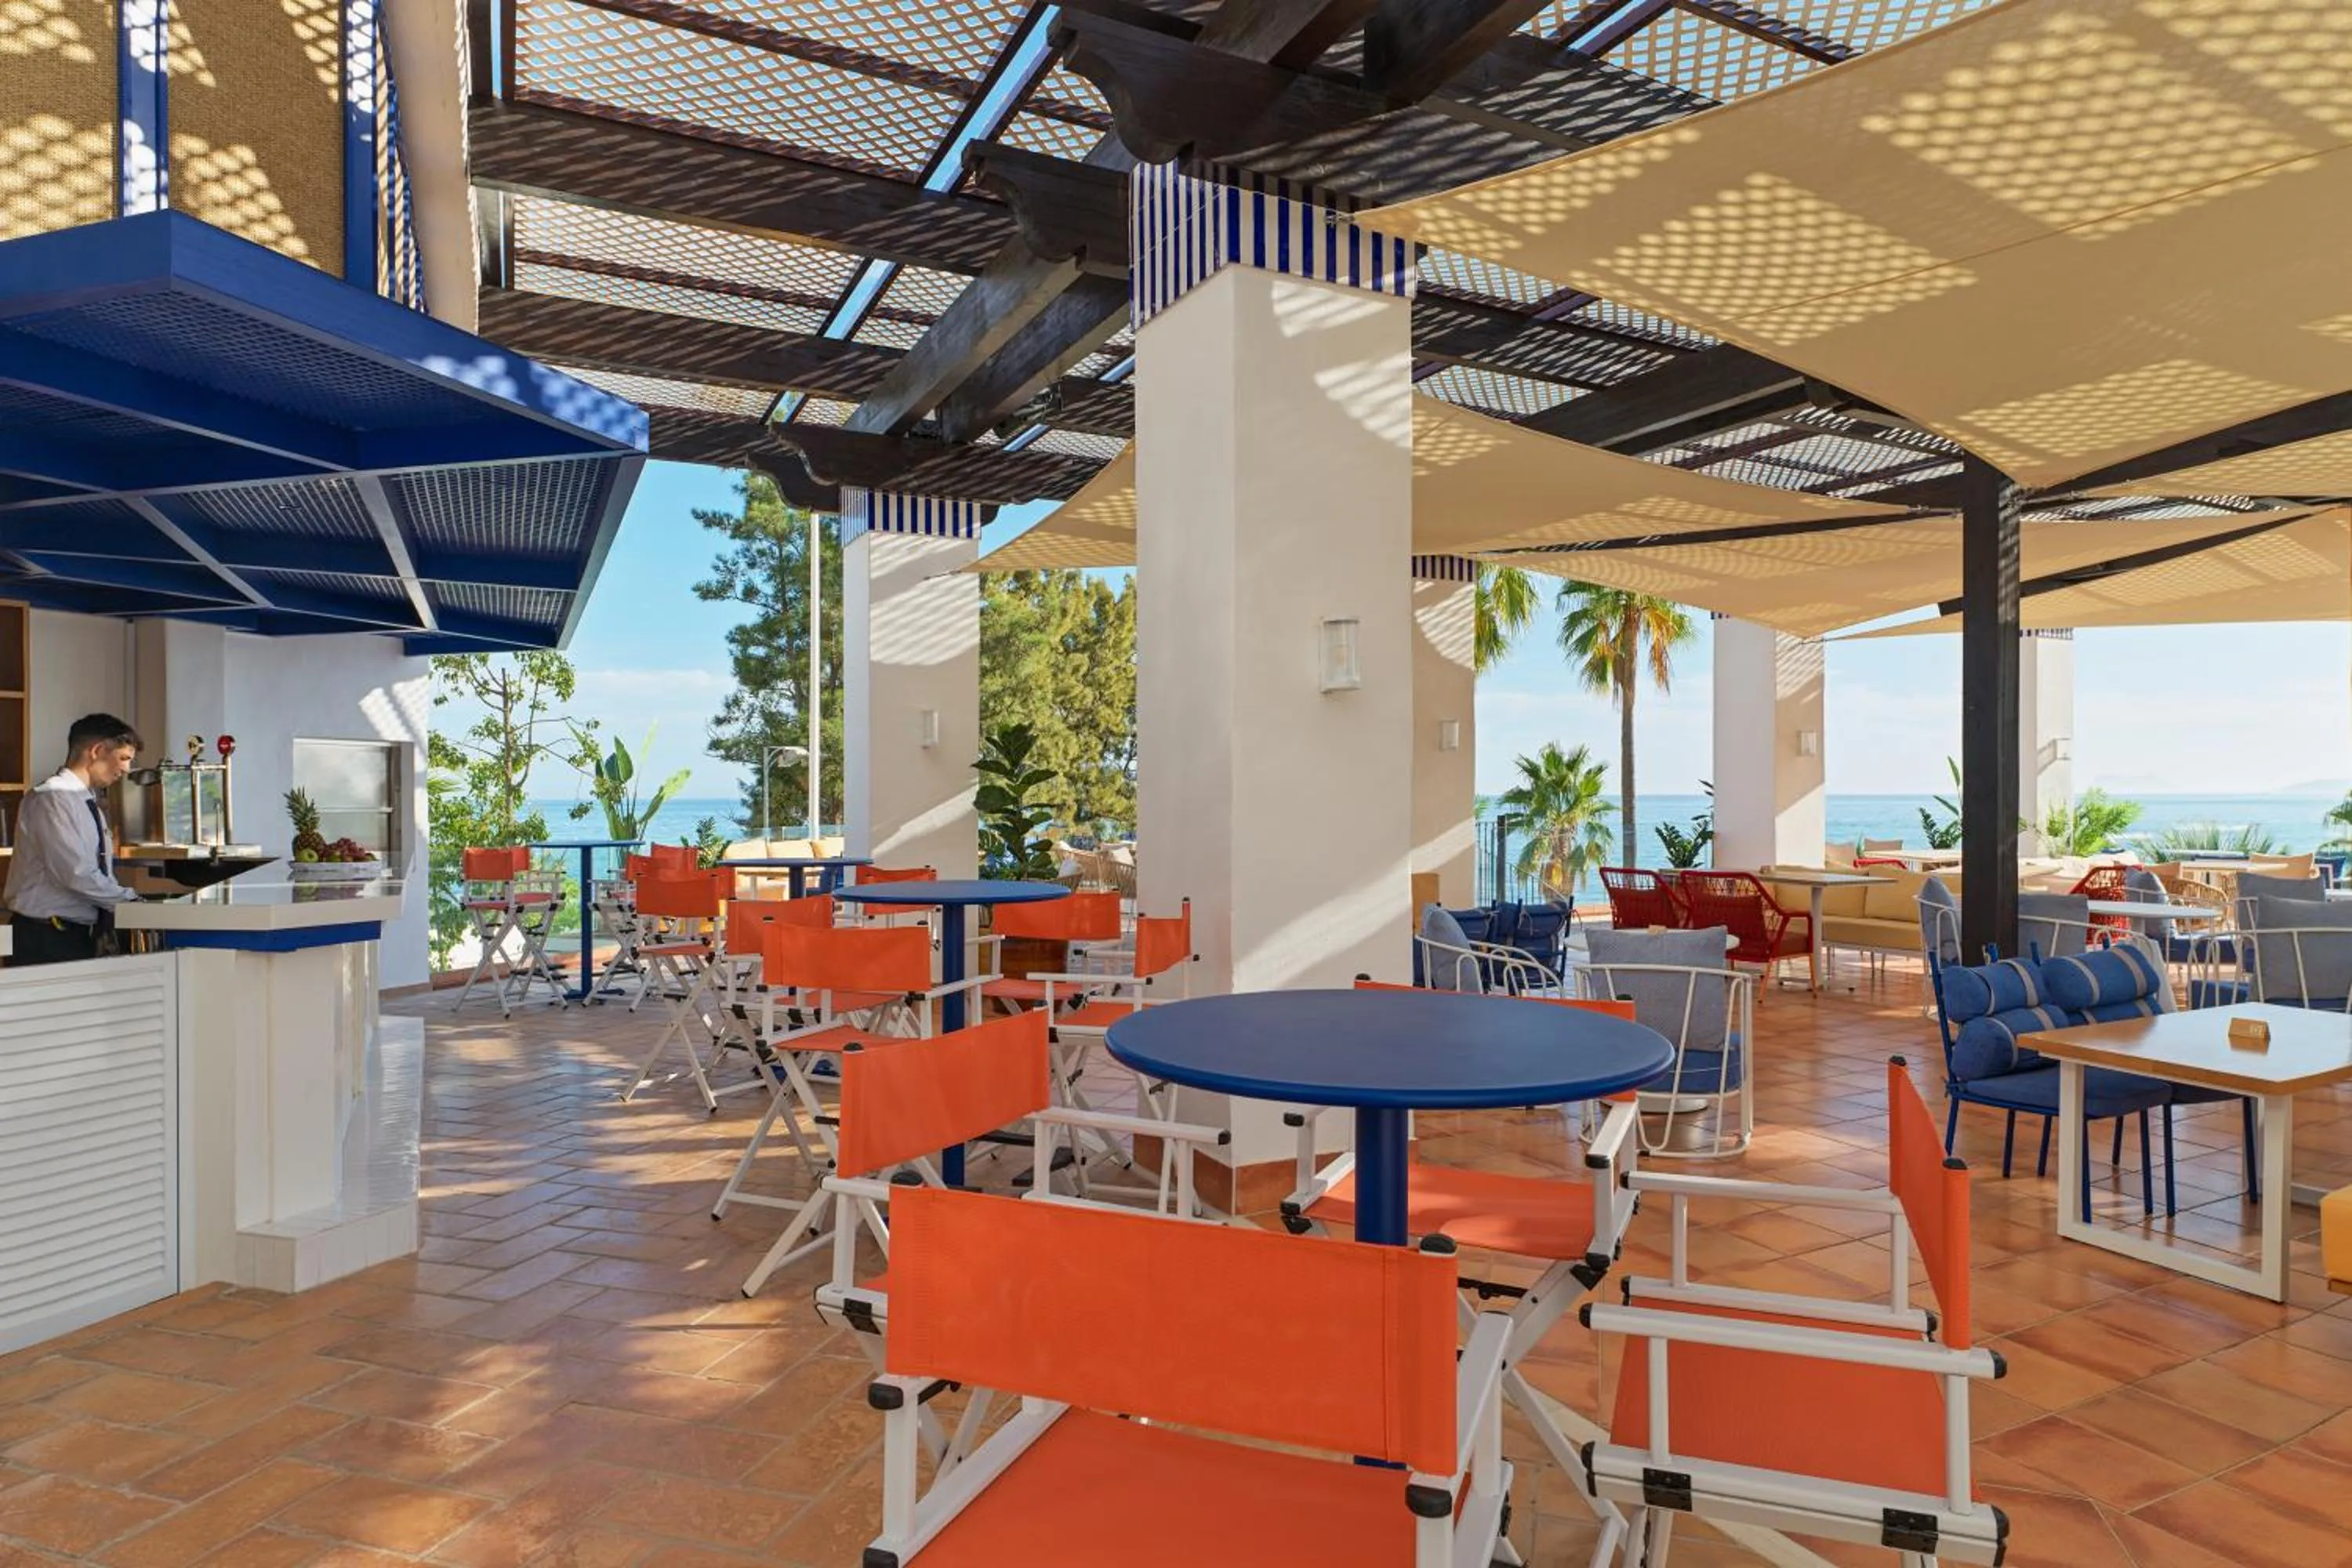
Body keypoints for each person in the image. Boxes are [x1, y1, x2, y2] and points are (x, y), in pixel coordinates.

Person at [5, 713, 143, 966]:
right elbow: (75, 873)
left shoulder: (85, 800)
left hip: (76, 934)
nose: (126, 769)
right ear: (97, 751)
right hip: (45, 937)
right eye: (123, 759)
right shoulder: (52, 798)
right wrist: (131, 901)